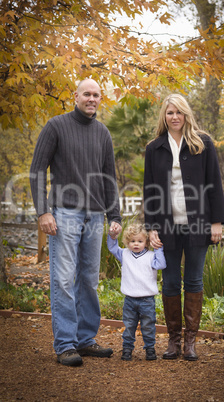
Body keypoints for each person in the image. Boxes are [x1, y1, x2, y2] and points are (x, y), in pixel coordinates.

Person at [30, 79, 122, 366]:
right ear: (76, 96)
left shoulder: (103, 132)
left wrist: (114, 215)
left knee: (89, 280)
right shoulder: (56, 126)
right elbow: (36, 170)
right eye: (86, 94)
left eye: (96, 95)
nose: (91, 99)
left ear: (99, 98)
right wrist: (44, 212)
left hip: (94, 216)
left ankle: (85, 340)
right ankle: (66, 345)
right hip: (64, 214)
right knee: (63, 279)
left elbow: (109, 178)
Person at [143, 94, 224, 361]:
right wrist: (152, 227)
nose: (174, 117)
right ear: (164, 117)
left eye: (179, 112)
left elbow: (214, 182)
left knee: (193, 280)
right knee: (169, 283)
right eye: (169, 113)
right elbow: (150, 192)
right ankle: (174, 342)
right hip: (166, 227)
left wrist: (216, 221)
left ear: (186, 114)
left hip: (198, 224)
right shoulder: (154, 148)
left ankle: (190, 342)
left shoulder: (203, 143)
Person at [107, 223, 166, 361]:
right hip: (130, 300)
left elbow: (161, 264)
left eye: (140, 241)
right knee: (129, 326)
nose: (136, 244)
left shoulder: (151, 256)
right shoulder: (124, 254)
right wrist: (112, 235)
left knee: (148, 327)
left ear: (146, 242)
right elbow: (112, 247)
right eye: (132, 241)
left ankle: (150, 349)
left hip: (147, 300)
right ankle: (127, 349)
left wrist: (158, 249)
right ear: (127, 242)